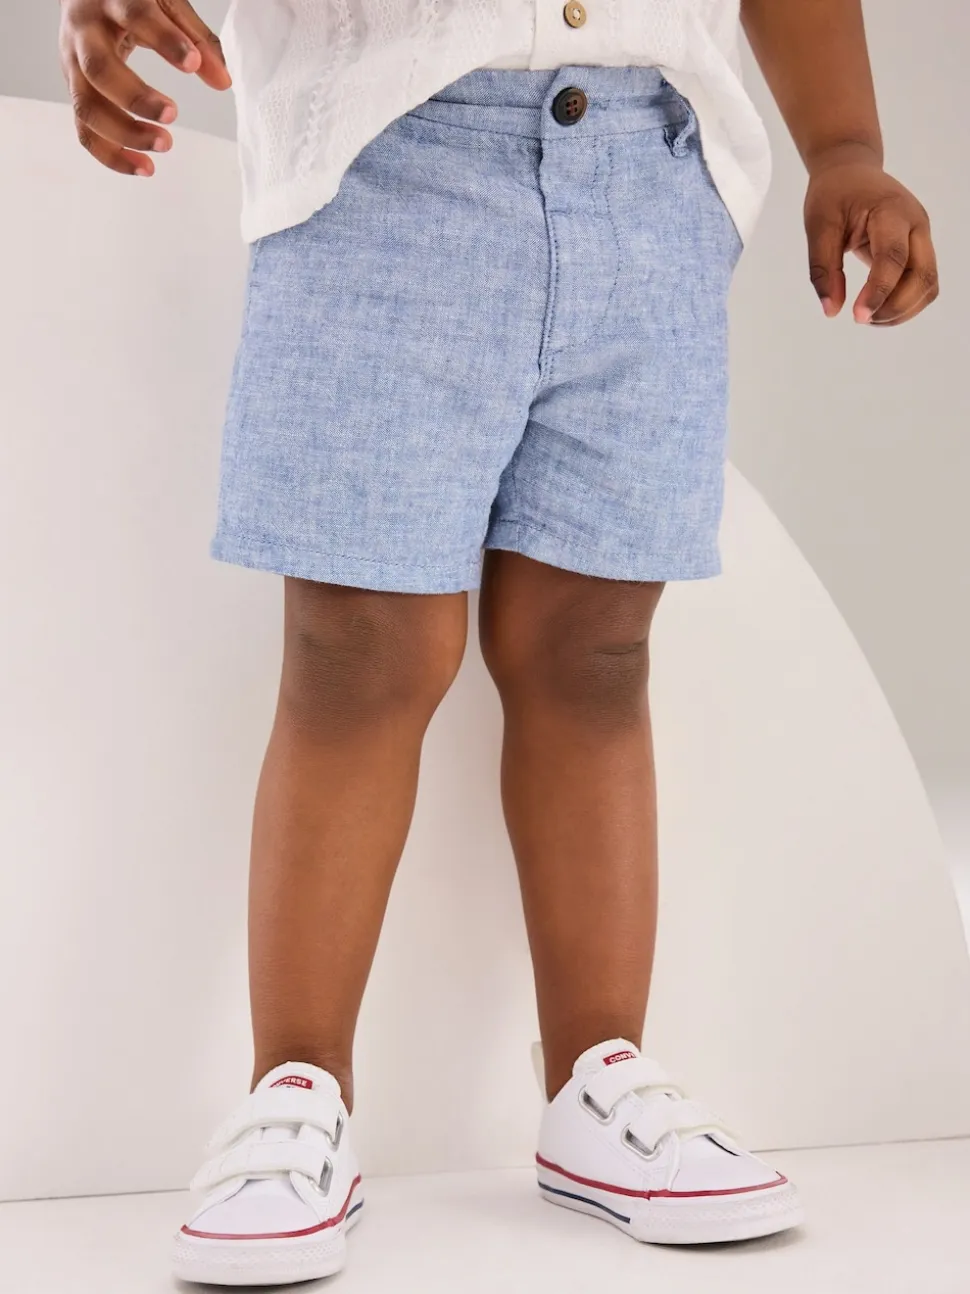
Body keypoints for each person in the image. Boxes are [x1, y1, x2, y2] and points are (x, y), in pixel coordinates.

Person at [58, 0, 939, 1285]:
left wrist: (845, 145)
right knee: (358, 651)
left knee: (596, 651)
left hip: (654, 183)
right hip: (379, 164)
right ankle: (294, 1091)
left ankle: (595, 1082)